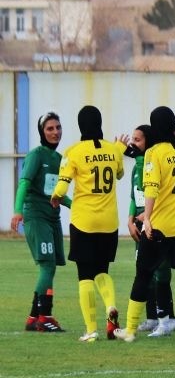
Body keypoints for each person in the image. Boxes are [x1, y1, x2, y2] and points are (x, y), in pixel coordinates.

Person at [113, 106, 175, 343]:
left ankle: (130, 330)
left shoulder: (154, 153)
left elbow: (151, 188)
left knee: (142, 274)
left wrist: (148, 218)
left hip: (161, 226)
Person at [50, 105, 129, 342]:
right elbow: (120, 174)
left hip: (84, 221)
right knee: (102, 271)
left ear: (80, 125)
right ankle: (111, 308)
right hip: (108, 222)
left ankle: (91, 330)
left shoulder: (73, 151)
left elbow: (63, 184)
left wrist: (55, 196)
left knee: (85, 275)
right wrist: (117, 148)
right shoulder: (113, 151)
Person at [11, 112, 69, 332]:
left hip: (53, 219)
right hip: (36, 217)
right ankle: (45, 317)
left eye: (58, 127)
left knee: (51, 267)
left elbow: (57, 194)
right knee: (47, 265)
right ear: (42, 132)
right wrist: (18, 211)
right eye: (50, 128)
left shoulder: (60, 159)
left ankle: (33, 317)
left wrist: (79, 206)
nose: (55, 132)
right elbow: (24, 182)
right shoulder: (36, 155)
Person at [126, 124, 175, 337]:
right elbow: (134, 196)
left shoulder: (149, 162)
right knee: (144, 271)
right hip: (139, 225)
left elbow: (157, 192)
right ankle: (152, 318)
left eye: (137, 140)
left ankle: (168, 318)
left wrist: (146, 216)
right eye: (132, 139)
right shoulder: (136, 168)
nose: (132, 143)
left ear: (148, 141)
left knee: (160, 273)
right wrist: (130, 219)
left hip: (154, 225)